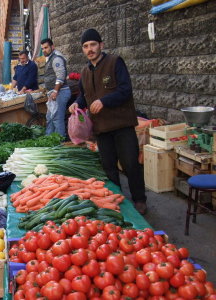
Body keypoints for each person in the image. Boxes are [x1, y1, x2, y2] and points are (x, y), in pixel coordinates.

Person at [69, 28, 147, 214]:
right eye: (86, 46)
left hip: (122, 125)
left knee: (131, 164)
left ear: (101, 45)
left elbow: (125, 90)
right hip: (101, 129)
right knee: (109, 167)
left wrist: (104, 101)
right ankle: (116, 199)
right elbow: (84, 96)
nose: (90, 49)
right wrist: (76, 104)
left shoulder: (115, 62)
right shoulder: (85, 71)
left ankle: (140, 200)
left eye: (93, 44)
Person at [41, 38, 71, 137]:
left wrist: (55, 91)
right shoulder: (50, 58)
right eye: (42, 48)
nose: (44, 50)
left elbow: (61, 75)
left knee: (57, 118)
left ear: (52, 47)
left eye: (46, 47)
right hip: (54, 93)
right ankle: (49, 140)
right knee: (50, 117)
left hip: (60, 92)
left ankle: (60, 142)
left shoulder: (56, 58)